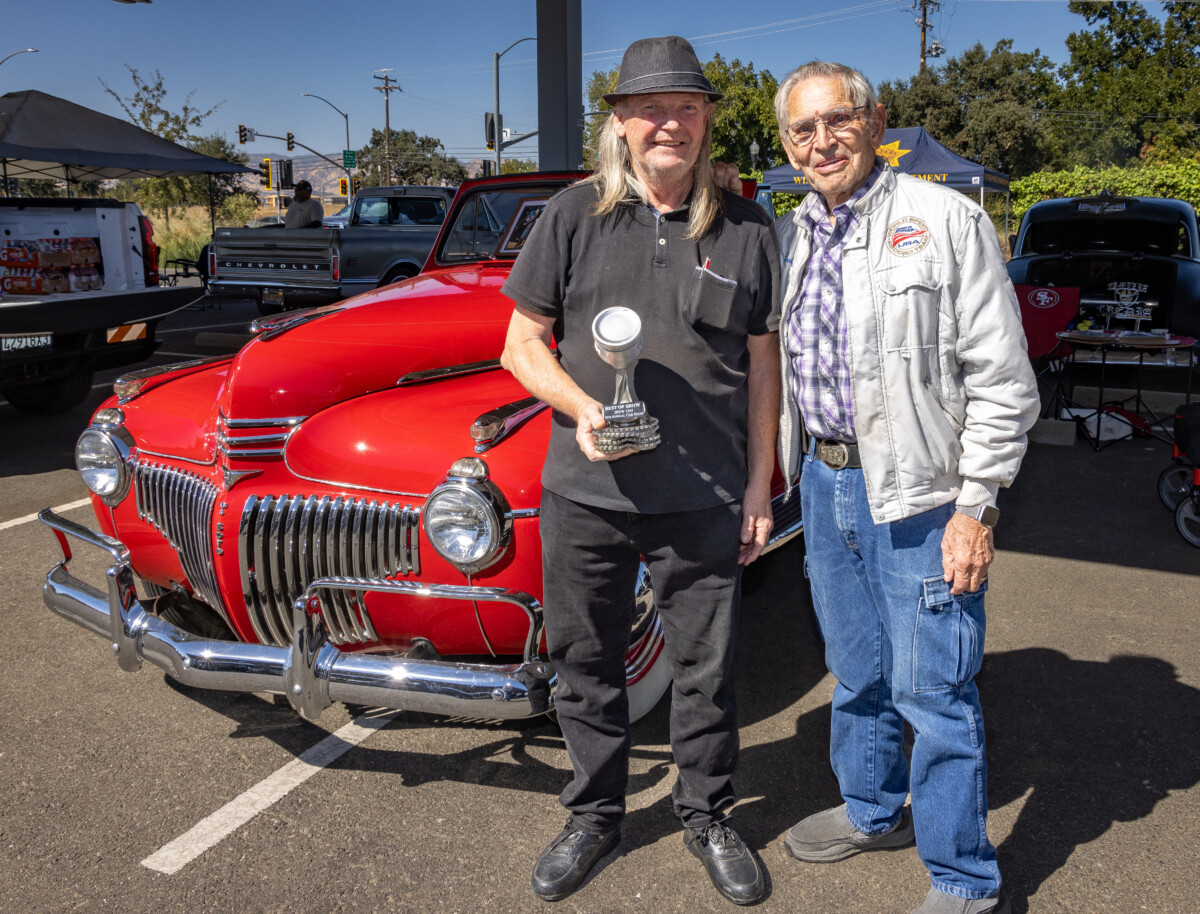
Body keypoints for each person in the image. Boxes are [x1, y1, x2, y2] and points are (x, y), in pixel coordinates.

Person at [500, 35, 781, 907]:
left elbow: (765, 369)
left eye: (687, 108)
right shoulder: (573, 216)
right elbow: (520, 345)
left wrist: (760, 485)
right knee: (585, 661)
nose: (671, 123)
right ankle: (595, 814)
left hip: (702, 497)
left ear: (705, 122)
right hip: (587, 494)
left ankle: (707, 813)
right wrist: (583, 410)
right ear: (620, 124)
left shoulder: (749, 228)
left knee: (707, 668)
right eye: (651, 108)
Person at [772, 61, 1039, 914]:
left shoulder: (946, 220)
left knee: (936, 692)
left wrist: (977, 506)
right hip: (825, 478)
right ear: (787, 144)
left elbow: (1003, 379)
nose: (822, 141)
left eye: (837, 119)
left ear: (875, 120)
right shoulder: (792, 235)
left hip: (924, 497)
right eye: (802, 129)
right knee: (855, 673)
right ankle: (874, 809)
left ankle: (963, 877)